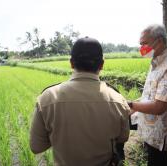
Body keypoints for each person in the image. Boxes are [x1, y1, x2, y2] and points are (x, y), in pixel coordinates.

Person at [30, 37, 130, 166]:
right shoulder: (118, 100)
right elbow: (122, 138)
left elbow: (36, 147)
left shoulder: (48, 97)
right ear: (102, 64)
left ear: (71, 63)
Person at [129, 24, 167, 166]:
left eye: (144, 43)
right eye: (140, 44)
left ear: (159, 41)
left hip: (160, 133)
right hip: (147, 125)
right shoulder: (156, 63)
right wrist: (131, 108)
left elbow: (159, 106)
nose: (142, 48)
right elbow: (149, 96)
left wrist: (130, 104)